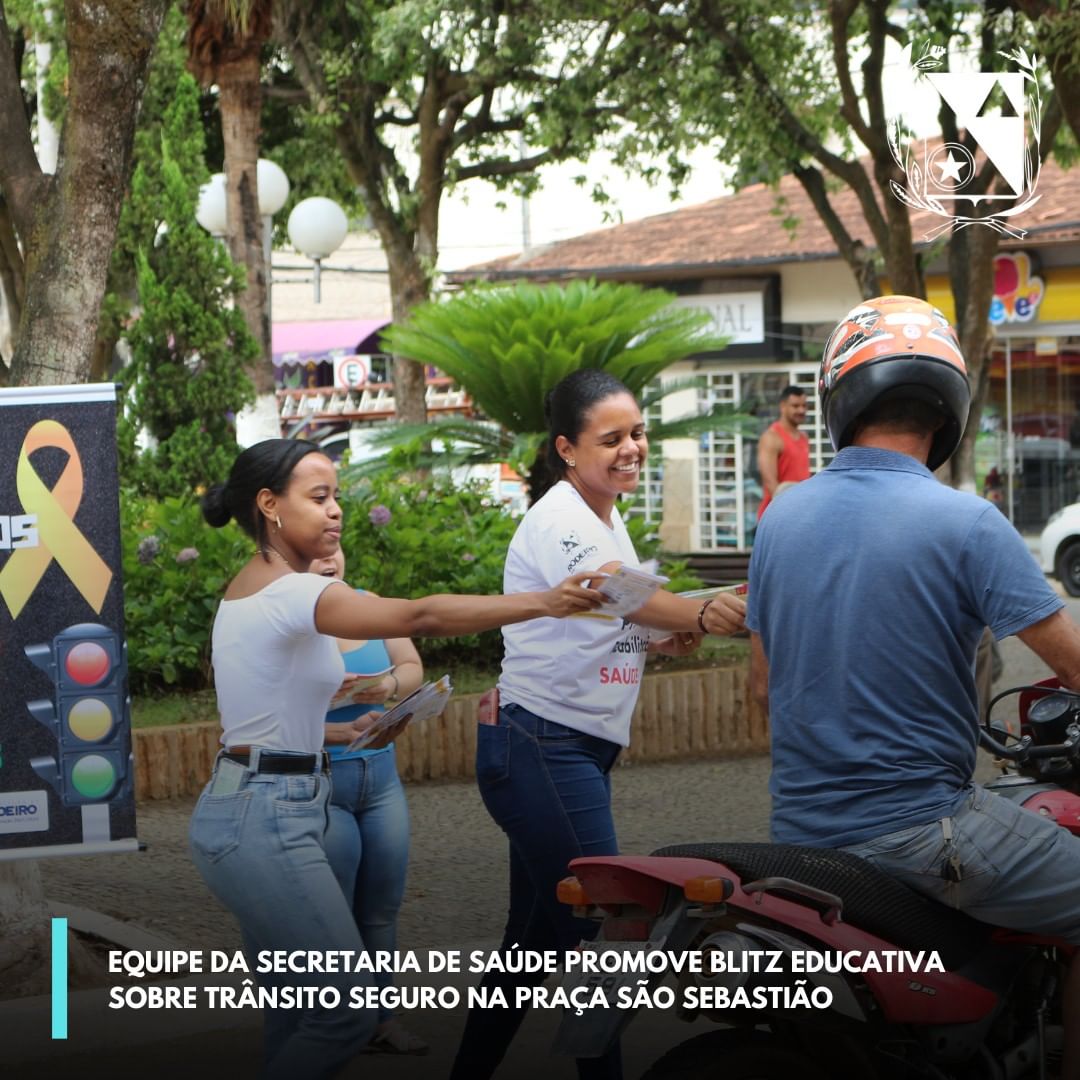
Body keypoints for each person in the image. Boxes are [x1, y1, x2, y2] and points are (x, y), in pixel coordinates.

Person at [189, 438, 605, 1080]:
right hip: (261, 817)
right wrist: (545, 601)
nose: (335, 512)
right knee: (347, 1012)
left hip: (271, 801)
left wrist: (350, 725)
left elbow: (259, 720)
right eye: (318, 498)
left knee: (299, 1014)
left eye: (337, 498)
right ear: (269, 505)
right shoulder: (288, 594)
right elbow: (421, 614)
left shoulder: (265, 587)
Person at [746, 295, 1080, 1080]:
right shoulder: (967, 522)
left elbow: (763, 688)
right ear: (948, 409)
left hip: (800, 830)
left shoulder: (782, 518)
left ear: (841, 398)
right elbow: (1072, 662)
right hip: (922, 830)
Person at [450, 370, 747, 1080]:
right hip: (543, 748)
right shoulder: (563, 519)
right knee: (606, 939)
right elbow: (620, 591)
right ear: (566, 448)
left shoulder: (603, 516)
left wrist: (663, 634)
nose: (631, 449)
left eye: (638, 433)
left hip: (560, 748)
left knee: (536, 950)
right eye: (611, 439)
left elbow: (616, 614)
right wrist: (704, 615)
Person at [309, 549, 427, 1056]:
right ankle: (336, 1022)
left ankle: (380, 1020)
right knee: (333, 915)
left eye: (333, 546)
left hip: (381, 782)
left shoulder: (372, 605)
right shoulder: (291, 622)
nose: (327, 557)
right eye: (314, 553)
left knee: (381, 910)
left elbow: (412, 665)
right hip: (324, 784)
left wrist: (387, 685)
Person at [756, 384, 810, 518]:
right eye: (795, 406)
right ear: (782, 406)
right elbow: (770, 483)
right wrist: (789, 515)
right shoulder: (771, 437)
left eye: (804, 406)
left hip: (797, 512)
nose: (801, 410)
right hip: (776, 516)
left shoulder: (804, 437)